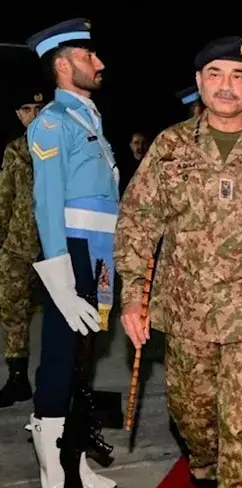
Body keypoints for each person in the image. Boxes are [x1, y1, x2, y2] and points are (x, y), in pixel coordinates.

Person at [114, 36, 242, 488]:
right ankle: (206, 467)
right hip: (187, 313)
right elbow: (137, 222)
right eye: (216, 75)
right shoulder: (170, 146)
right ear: (199, 81)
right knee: (193, 417)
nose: (227, 86)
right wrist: (132, 296)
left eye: (238, 76)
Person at [22, 18, 118, 488]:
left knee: (83, 359)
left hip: (100, 251)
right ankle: (53, 473)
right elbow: (47, 200)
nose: (99, 63)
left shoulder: (89, 117)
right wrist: (60, 278)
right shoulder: (51, 123)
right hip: (74, 252)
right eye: (88, 56)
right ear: (63, 65)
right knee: (61, 357)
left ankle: (75, 461)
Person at [0, 87, 44, 408]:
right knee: (11, 309)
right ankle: (17, 378)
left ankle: (68, 377)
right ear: (18, 115)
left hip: (55, 246)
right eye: (27, 110)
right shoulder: (14, 151)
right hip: (18, 245)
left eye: (38, 109)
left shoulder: (62, 147)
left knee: (64, 312)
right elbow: (5, 198)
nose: (34, 115)